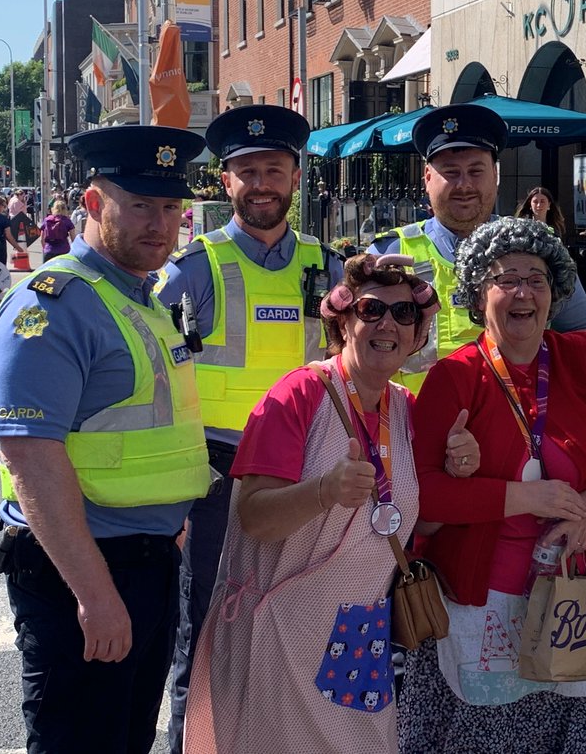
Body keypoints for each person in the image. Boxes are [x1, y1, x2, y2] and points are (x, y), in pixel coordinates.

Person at [0, 124, 209, 754]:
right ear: (91, 203)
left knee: (126, 737)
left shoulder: (140, 297)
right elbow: (30, 454)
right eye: (138, 205)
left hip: (148, 561)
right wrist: (95, 593)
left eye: (170, 208)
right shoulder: (53, 304)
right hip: (83, 571)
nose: (159, 225)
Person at [398, 217, 586, 754]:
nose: (523, 292)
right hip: (478, 601)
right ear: (477, 294)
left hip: (571, 592)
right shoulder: (455, 376)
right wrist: (518, 498)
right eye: (505, 279)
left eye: (536, 279)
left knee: (577, 736)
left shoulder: (584, 360)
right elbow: (419, 494)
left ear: (554, 293)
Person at [182, 253, 442, 753]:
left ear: (416, 336)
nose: (388, 323)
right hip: (277, 635)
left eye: (404, 314)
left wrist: (461, 465)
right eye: (371, 310)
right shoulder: (300, 393)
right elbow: (254, 516)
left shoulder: (408, 411)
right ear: (343, 322)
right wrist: (325, 492)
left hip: (357, 633)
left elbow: (420, 519)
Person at [157, 104, 343, 754]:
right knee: (206, 641)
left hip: (307, 478)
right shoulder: (195, 268)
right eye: (246, 171)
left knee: (298, 634)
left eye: (273, 169)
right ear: (225, 182)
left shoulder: (331, 269)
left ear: (295, 175)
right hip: (217, 484)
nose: (261, 182)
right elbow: (149, 370)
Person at [369, 103, 586, 392]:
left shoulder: (537, 248)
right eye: (450, 173)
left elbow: (583, 335)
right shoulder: (388, 255)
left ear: (496, 175)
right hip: (411, 429)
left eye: (476, 171)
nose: (464, 185)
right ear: (427, 178)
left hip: (519, 427)